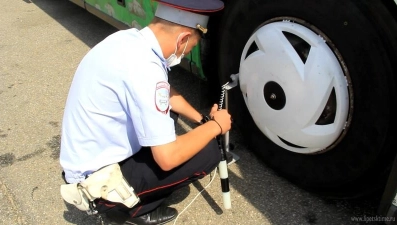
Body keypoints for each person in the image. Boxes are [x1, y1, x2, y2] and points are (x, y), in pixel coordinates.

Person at [59, 0, 230, 224]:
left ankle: (130, 194)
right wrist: (216, 127)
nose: (187, 53)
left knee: (170, 117)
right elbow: (167, 158)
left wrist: (201, 120)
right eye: (190, 47)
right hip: (98, 185)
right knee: (209, 151)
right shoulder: (146, 70)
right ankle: (128, 210)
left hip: (85, 163)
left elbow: (165, 94)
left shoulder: (128, 40)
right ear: (182, 39)